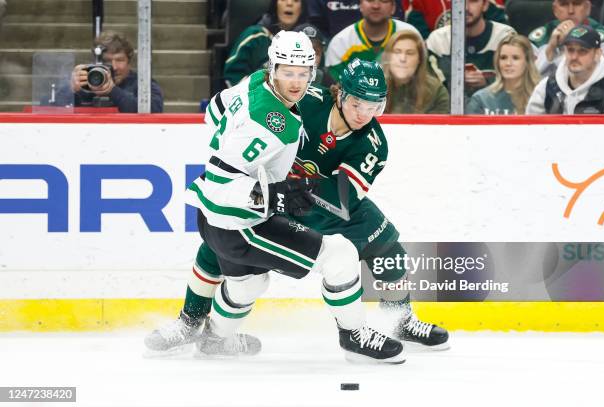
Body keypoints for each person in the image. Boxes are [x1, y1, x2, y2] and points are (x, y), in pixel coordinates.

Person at [146, 58, 449, 358]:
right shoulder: (307, 99)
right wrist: (270, 189)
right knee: (217, 242)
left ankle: (400, 320)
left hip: (325, 206)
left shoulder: (373, 144)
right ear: (340, 93)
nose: (364, 115)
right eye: (358, 103)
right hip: (276, 196)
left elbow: (342, 198)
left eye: (374, 107)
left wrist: (294, 190)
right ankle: (190, 321)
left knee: (388, 246)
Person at [427, 0, 516, 96]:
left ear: (485, 5)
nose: (465, 8)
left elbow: (519, 81)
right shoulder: (438, 40)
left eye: (473, 1)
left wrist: (487, 82)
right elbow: (430, 88)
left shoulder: (505, 36)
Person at [60, 31, 164, 113]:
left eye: (119, 60)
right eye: (107, 61)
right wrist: (71, 90)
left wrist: (113, 91)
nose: (114, 67)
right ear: (96, 62)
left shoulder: (143, 85)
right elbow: (48, 107)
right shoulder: (86, 81)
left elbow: (154, 111)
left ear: (129, 62)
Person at [325, 0, 420, 82]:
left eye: (384, 1)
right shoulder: (340, 43)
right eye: (370, 0)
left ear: (393, 7)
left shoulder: (410, 35)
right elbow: (336, 88)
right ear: (360, 5)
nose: (376, 6)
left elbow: (421, 77)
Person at [527, 24, 604, 114]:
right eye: (570, 50)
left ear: (597, 54)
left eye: (582, 51)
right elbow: (530, 125)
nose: (574, 57)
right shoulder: (547, 86)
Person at [223, 0, 308, 87]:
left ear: (302, 8)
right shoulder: (256, 36)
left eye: (296, 0)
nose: (289, 3)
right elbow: (233, 78)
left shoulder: (310, 41)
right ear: (275, 5)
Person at [528, 0, 604, 77]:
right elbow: (528, 79)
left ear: (587, 8)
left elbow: (598, 78)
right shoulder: (539, 39)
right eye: (563, 4)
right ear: (555, 10)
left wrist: (570, 43)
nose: (570, 11)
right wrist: (551, 48)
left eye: (576, 4)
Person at [467, 33, 540, 114]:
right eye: (503, 58)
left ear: (527, 62)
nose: (508, 63)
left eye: (515, 58)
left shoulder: (541, 96)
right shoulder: (481, 99)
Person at [381, 30, 450, 113]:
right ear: (388, 57)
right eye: (397, 52)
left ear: (419, 59)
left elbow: (439, 125)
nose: (403, 59)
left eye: (410, 53)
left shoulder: (436, 91)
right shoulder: (371, 88)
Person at [404, 0, 508, 39]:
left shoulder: (491, 3)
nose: (465, 8)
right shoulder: (420, 2)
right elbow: (420, 43)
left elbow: (499, 35)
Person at [308, 0, 405, 40]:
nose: (376, 5)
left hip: (383, 49)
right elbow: (317, 29)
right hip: (334, 50)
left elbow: (395, 23)